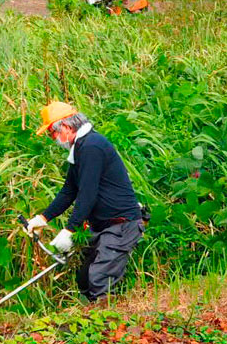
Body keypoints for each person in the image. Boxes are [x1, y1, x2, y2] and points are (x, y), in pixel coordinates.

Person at [26, 102, 145, 300]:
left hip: (121, 225)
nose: (53, 139)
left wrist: (70, 229)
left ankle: (112, 325)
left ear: (65, 127)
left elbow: (88, 193)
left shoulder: (92, 147)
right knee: (84, 280)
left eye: (52, 133)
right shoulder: (80, 148)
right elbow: (69, 191)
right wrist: (43, 218)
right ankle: (95, 322)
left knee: (99, 280)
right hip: (103, 226)